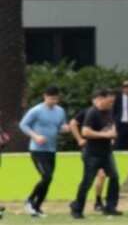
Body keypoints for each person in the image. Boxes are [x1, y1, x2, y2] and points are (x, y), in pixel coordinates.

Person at [70, 89, 122, 218]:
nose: (111, 104)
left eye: (113, 102)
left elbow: (111, 124)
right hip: (92, 153)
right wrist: (106, 135)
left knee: (114, 177)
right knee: (87, 181)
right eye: (109, 102)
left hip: (106, 152)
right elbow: (85, 132)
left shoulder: (109, 111)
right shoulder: (92, 112)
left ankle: (110, 207)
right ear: (101, 99)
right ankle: (77, 209)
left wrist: (113, 133)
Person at [19, 86, 69, 217]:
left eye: (56, 99)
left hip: (51, 149)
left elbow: (60, 126)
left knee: (48, 179)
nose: (54, 101)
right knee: (47, 176)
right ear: (45, 96)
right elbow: (23, 125)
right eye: (51, 98)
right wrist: (35, 136)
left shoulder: (60, 111)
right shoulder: (36, 110)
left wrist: (65, 128)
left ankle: (37, 207)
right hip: (37, 149)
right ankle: (29, 201)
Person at [113, 79, 128, 151]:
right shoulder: (117, 98)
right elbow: (113, 111)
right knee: (119, 143)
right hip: (120, 124)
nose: (127, 89)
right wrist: (114, 123)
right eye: (125, 87)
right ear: (122, 88)